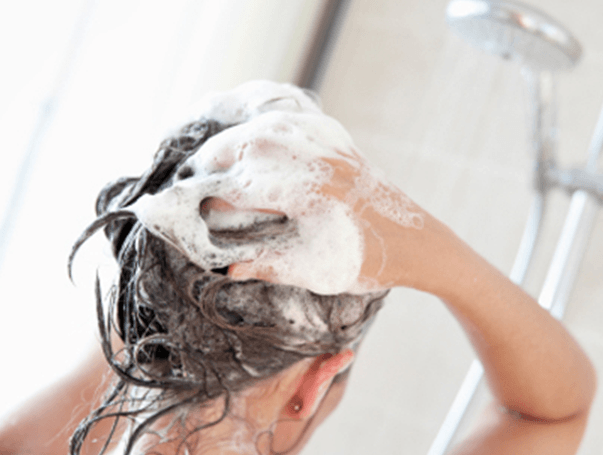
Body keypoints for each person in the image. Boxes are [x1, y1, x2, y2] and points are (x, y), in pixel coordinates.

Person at [0, 81, 596, 455]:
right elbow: (550, 411)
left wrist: (178, 249)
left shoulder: (36, 436)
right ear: (314, 385)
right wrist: (433, 250)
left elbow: (132, 341)